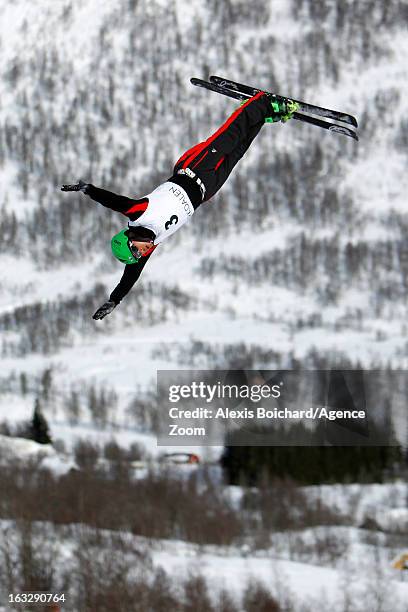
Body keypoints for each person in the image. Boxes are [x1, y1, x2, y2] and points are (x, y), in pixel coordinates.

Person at [61, 93, 298, 320]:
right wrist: (115, 300)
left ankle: (262, 103)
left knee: (230, 135)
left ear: (129, 238)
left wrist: (88, 189)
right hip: (206, 189)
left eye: (136, 250)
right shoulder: (151, 243)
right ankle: (263, 116)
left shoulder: (139, 215)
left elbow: (113, 201)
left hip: (193, 169)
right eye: (138, 255)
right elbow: (130, 276)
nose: (141, 253)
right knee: (239, 149)